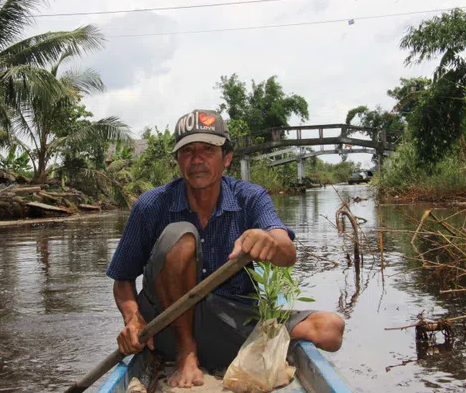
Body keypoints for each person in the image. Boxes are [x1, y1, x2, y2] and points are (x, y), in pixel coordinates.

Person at [106, 109, 345, 388]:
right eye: (187, 151)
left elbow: (287, 252)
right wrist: (133, 319)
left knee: (330, 329)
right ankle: (186, 354)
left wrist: (268, 241)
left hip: (231, 318)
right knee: (181, 236)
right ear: (178, 161)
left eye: (208, 149)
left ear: (227, 158)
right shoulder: (151, 205)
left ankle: (242, 351)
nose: (197, 160)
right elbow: (122, 279)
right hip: (167, 325)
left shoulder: (250, 197)